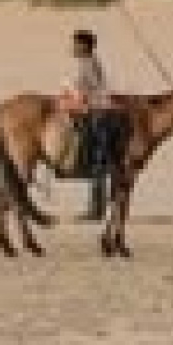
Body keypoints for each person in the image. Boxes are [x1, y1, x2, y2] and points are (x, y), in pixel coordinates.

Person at [64, 27, 115, 218]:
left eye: (76, 44)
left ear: (85, 46)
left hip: (97, 113)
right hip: (92, 109)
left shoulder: (89, 64)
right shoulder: (86, 63)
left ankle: (96, 209)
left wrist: (80, 97)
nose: (72, 47)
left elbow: (97, 89)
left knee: (97, 158)